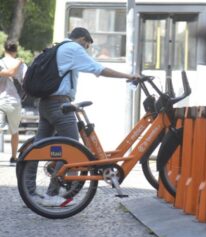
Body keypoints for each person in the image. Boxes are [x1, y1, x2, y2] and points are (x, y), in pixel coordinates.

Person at [26, 27, 138, 207]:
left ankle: (30, 192)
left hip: (46, 103)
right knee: (71, 149)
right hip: (60, 105)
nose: (85, 49)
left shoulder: (59, 47)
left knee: (38, 147)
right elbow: (98, 69)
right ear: (82, 39)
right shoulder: (73, 48)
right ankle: (51, 194)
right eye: (86, 45)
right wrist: (129, 76)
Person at [0, 40, 25, 164]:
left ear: (4, 49)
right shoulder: (21, 64)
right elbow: (26, 81)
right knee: (14, 131)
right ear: (16, 50)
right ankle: (14, 157)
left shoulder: (0, 63)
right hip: (14, 101)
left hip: (0, 100)